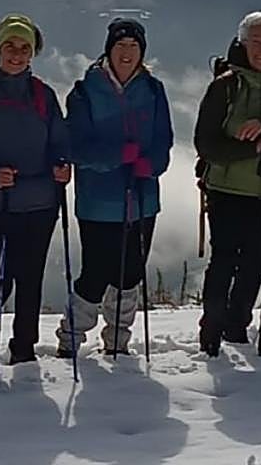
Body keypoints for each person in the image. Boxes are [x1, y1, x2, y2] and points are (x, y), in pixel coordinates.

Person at [56, 18, 173, 357]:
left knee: (130, 274)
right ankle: (71, 339)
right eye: (121, 46)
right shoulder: (84, 91)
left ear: (142, 52)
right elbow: (75, 145)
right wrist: (117, 156)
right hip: (98, 200)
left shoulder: (153, 89)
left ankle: (118, 343)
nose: (127, 52)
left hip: (142, 198)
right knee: (94, 274)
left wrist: (152, 165)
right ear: (109, 49)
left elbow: (164, 140)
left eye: (133, 47)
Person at [0, 14, 72, 366]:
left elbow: (59, 140)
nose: (17, 54)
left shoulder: (42, 94)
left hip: (39, 203)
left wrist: (62, 164)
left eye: (24, 48)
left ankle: (23, 349)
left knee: (30, 279)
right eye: (11, 46)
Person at [193, 11, 261, 357]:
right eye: (257, 42)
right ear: (243, 43)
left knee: (255, 263)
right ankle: (211, 329)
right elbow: (205, 144)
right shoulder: (224, 85)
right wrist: (250, 148)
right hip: (225, 190)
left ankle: (237, 326)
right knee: (225, 260)